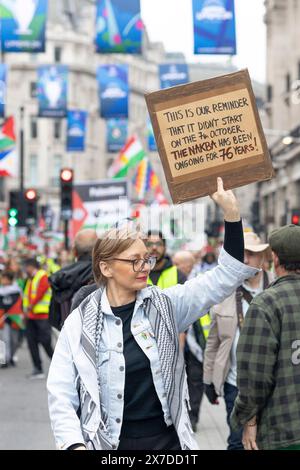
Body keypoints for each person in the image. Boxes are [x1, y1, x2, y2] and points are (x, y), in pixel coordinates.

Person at [47, 178, 259, 451]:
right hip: (108, 445)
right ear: (107, 268)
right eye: (133, 260)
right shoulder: (79, 322)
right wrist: (74, 444)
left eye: (145, 258)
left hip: (167, 444)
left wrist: (231, 215)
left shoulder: (168, 305)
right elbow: (61, 393)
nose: (144, 266)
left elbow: (224, 277)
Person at [230, 224, 300, 450]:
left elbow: (255, 374)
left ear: (275, 258)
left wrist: (248, 419)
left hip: (284, 429)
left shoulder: (267, 302)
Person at [203, 232, 273, 450]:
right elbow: (213, 341)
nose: (246, 259)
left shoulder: (276, 287)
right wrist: (208, 380)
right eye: (242, 254)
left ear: (262, 258)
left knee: (267, 441)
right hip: (235, 384)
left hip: (272, 384)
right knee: (236, 442)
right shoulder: (224, 290)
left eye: (251, 254)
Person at [48, 229, 98, 330]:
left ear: (74, 252)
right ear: (98, 250)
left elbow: (54, 318)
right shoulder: (105, 274)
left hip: (70, 338)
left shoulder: (60, 278)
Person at [23, 258, 53, 379]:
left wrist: (31, 305)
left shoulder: (42, 276)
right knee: (31, 343)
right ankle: (38, 369)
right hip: (31, 316)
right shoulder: (31, 279)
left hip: (42, 315)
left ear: (31, 266)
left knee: (46, 342)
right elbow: (26, 296)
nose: (25, 269)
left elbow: (41, 291)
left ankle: (60, 365)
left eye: (26, 267)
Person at [0, 270, 24, 368]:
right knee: (5, 339)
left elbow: (21, 303)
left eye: (4, 279)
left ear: (10, 280)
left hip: (14, 318)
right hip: (3, 318)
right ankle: (4, 360)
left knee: (15, 341)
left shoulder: (17, 291)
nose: (2, 280)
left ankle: (12, 356)